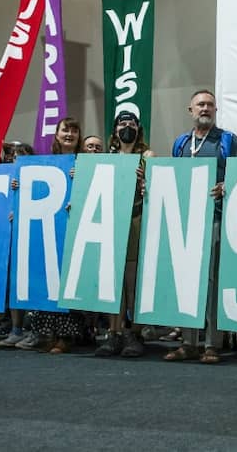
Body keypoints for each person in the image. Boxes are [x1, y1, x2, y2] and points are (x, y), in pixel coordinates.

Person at [164, 90, 237, 365]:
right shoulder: (181, 143)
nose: (206, 108)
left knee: (211, 282)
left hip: (216, 218)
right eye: (201, 104)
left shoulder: (228, 141)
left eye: (210, 104)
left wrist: (227, 185)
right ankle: (188, 342)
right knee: (186, 280)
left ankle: (212, 343)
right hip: (185, 221)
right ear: (190, 110)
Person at [17, 117, 87, 354]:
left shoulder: (86, 162)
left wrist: (85, 176)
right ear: (56, 135)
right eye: (65, 130)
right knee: (47, 279)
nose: (70, 134)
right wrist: (20, 188)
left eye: (74, 131)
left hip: (74, 228)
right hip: (48, 229)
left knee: (69, 280)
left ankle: (67, 336)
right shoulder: (44, 164)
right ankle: (47, 333)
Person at [94, 112, 154, 358]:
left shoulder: (147, 157)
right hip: (111, 221)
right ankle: (114, 332)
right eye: (122, 123)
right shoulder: (107, 158)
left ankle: (134, 332)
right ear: (115, 129)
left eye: (131, 124)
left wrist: (145, 180)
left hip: (136, 218)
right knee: (113, 281)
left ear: (138, 129)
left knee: (132, 281)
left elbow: (158, 187)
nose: (126, 127)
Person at [0, 141, 35, 348]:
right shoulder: (1, 176)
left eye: (20, 154)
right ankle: (16, 328)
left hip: (31, 236)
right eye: (11, 154)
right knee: (14, 284)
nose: (14, 157)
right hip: (8, 237)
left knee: (30, 283)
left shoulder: (39, 175)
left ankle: (31, 329)